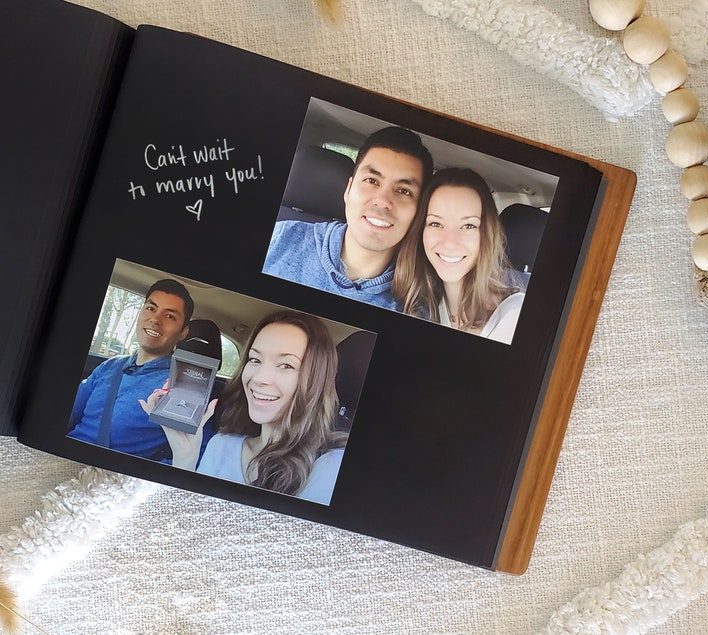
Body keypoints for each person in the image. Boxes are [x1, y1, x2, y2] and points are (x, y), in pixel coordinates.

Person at [142, 310, 346, 505]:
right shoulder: (221, 445)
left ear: (316, 380)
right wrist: (185, 457)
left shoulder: (333, 467)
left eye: (286, 365)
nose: (258, 378)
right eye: (255, 359)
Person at [263, 127, 433, 310]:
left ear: (419, 210)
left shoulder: (417, 307)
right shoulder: (278, 239)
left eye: (403, 191)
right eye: (372, 181)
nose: (383, 201)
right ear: (348, 190)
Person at [393, 168, 524, 344]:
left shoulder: (515, 317)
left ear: (487, 234)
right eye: (436, 223)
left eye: (468, 225)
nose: (450, 242)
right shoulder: (414, 303)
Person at [68, 279, 194, 457]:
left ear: (183, 332)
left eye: (170, 316)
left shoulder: (182, 387)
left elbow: (192, 456)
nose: (155, 320)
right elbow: (68, 413)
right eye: (151, 308)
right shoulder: (111, 365)